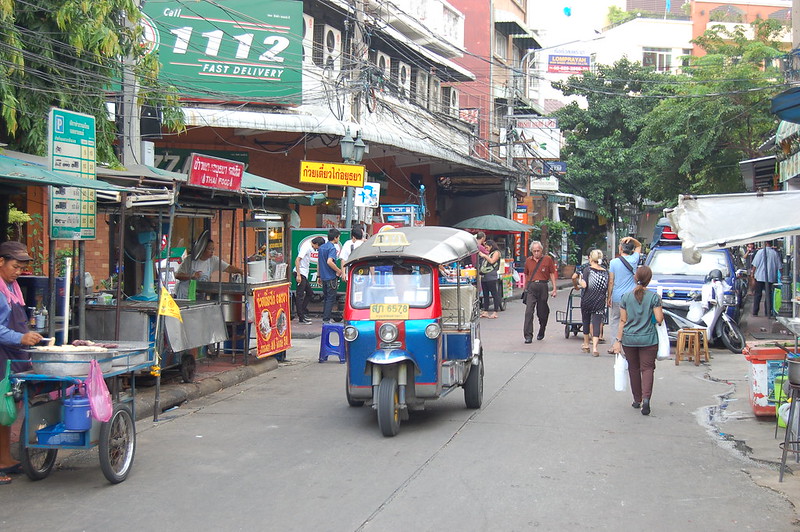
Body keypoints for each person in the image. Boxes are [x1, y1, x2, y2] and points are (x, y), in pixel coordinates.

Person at [0, 241, 43, 485]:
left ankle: (5, 458)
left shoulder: (12, 287)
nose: (18, 272)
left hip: (12, 356)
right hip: (1, 355)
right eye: (15, 266)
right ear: (0, 262)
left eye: (21, 268)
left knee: (6, 411)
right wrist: (20, 337)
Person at [612, 265, 663, 416]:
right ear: (649, 279)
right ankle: (646, 399)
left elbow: (622, 320)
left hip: (629, 339)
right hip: (648, 339)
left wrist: (617, 341)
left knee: (633, 368)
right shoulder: (654, 297)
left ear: (635, 278)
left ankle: (637, 399)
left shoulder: (626, 297)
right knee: (647, 369)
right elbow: (659, 319)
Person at [175, 238, 243, 299]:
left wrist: (239, 271)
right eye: (209, 249)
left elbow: (228, 268)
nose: (212, 251)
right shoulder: (189, 259)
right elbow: (178, 276)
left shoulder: (213, 260)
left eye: (213, 249)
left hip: (199, 296)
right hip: (185, 295)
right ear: (202, 249)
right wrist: (191, 276)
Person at [574, 249, 612, 357]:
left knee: (586, 321)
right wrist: (608, 297)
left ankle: (586, 344)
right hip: (599, 300)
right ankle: (595, 347)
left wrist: (579, 280)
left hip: (587, 299)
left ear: (591, 258)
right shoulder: (605, 272)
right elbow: (609, 285)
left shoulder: (587, 270)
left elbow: (585, 285)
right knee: (596, 323)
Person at [607, 237, 641, 354]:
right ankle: (630, 346)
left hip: (617, 296)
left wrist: (609, 296)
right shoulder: (634, 259)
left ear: (620, 248)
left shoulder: (613, 262)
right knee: (630, 320)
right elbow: (639, 246)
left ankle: (614, 346)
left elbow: (611, 281)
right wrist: (631, 239)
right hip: (632, 296)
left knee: (616, 319)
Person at [522, 241, 557, 343]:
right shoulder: (528, 261)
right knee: (529, 311)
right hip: (531, 287)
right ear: (531, 251)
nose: (536, 253)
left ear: (541, 250)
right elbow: (526, 274)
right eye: (534, 251)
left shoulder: (547, 259)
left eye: (538, 251)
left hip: (543, 286)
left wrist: (554, 288)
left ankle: (542, 328)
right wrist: (525, 288)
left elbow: (552, 274)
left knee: (542, 312)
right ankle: (528, 335)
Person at [294, 236, 325, 325]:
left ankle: (302, 312)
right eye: (318, 247)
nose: (318, 249)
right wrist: (298, 275)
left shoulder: (309, 247)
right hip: (300, 273)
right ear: (316, 244)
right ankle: (301, 317)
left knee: (310, 293)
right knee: (300, 296)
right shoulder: (306, 247)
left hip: (304, 274)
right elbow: (297, 260)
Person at [318, 228, 343, 324]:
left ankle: (325, 317)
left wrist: (319, 276)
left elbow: (319, 263)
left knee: (326, 298)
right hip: (330, 277)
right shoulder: (332, 248)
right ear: (335, 238)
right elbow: (329, 261)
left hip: (323, 277)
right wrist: (339, 270)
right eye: (338, 237)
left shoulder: (322, 247)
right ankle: (326, 319)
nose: (339, 239)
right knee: (330, 299)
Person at [751, 240, 782, 318]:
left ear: (765, 243)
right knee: (769, 295)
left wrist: (752, 275)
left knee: (758, 294)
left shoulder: (760, 252)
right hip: (770, 277)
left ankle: (755, 312)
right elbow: (780, 267)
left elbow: (754, 265)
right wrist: (782, 275)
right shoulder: (775, 253)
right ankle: (767, 312)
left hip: (760, 276)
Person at [478, 240, 502, 319]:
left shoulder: (496, 252)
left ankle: (495, 311)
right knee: (485, 294)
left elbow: (492, 261)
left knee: (494, 294)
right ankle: (485, 311)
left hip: (491, 276)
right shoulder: (489, 254)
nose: (486, 249)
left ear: (491, 246)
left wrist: (484, 256)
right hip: (484, 276)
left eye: (487, 247)